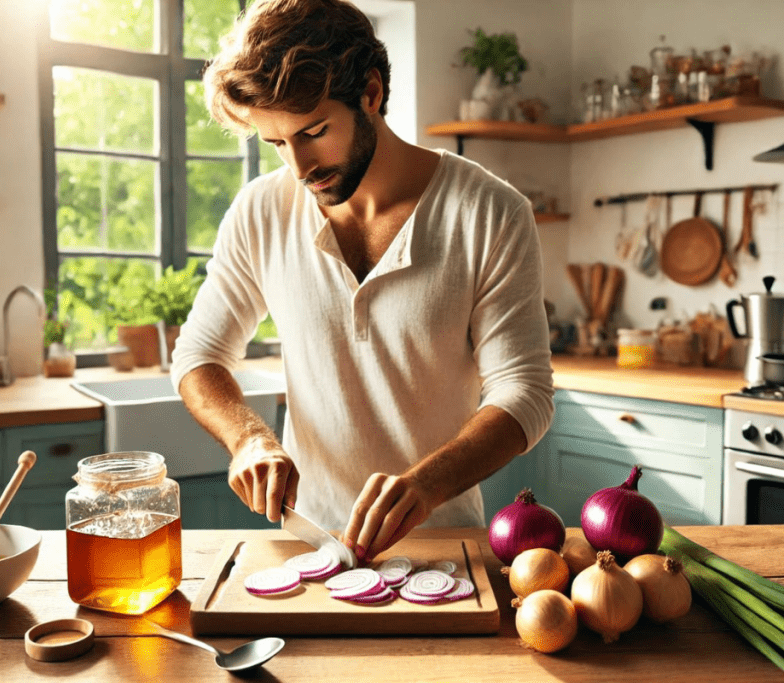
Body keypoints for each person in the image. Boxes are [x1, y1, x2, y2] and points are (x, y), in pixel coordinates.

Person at [170, 0, 554, 564]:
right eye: (277, 144)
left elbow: (526, 393)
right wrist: (247, 438)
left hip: (446, 548)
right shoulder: (260, 210)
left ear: (370, 93)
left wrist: (426, 484)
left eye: (313, 132)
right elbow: (199, 355)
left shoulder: (491, 212)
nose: (299, 168)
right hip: (306, 547)